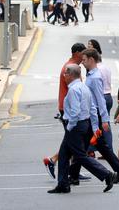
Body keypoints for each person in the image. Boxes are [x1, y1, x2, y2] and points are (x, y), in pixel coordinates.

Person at [47, 65, 116, 194]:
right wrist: (94, 127)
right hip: (84, 124)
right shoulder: (84, 87)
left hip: (75, 126)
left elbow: (75, 112)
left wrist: (69, 126)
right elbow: (93, 109)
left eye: (65, 74)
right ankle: (63, 185)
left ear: (70, 75)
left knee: (80, 156)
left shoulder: (73, 90)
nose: (63, 76)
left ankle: (107, 175)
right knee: (63, 155)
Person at [43, 43, 86, 179]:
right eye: (83, 53)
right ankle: (56, 162)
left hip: (70, 108)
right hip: (69, 109)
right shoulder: (69, 68)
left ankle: (68, 168)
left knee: (71, 139)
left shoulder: (74, 67)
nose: (84, 56)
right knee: (73, 140)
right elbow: (74, 90)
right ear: (77, 53)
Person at [81, 49, 119, 180]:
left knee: (83, 147)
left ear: (91, 60)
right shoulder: (91, 75)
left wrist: (105, 120)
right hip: (92, 116)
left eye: (84, 60)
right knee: (92, 146)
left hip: (95, 117)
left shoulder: (94, 77)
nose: (82, 63)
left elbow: (100, 99)